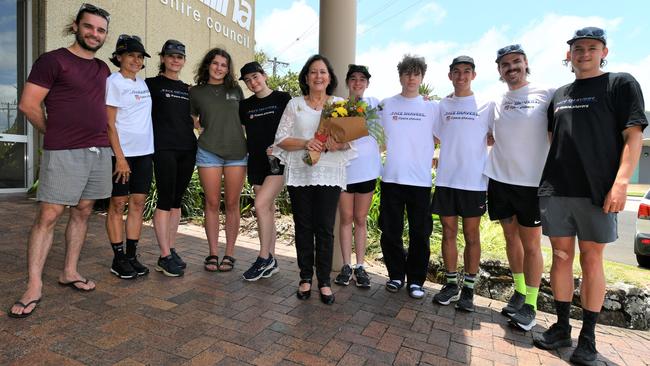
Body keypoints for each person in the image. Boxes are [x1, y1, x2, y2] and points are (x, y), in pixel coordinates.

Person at [533, 27, 647, 365]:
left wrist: (621, 182)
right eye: (577, 48)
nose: (584, 52)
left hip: (598, 191)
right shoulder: (559, 94)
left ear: (603, 51)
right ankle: (562, 327)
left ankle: (588, 339)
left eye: (591, 47)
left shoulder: (620, 84)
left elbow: (633, 136)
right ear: (569, 54)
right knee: (562, 258)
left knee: (592, 259)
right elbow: (556, 139)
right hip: (557, 189)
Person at [9, 3, 112, 318]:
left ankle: (69, 270)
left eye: (101, 30)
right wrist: (52, 134)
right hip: (65, 151)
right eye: (89, 27)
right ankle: (34, 284)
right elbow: (28, 105)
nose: (94, 33)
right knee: (49, 216)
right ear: (77, 26)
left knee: (83, 212)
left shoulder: (102, 69)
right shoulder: (53, 60)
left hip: (98, 151)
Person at [273, 54, 355, 305]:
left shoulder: (340, 103)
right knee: (304, 226)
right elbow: (281, 139)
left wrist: (333, 144)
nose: (318, 76)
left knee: (325, 228)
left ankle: (325, 281)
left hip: (329, 174)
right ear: (306, 77)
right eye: (313, 72)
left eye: (323, 72)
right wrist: (306, 142)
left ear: (329, 77)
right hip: (300, 173)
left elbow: (349, 141)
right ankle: (305, 277)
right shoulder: (294, 104)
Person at [484, 44, 554, 330]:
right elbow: (489, 136)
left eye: (516, 62)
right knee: (510, 239)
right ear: (499, 70)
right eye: (505, 64)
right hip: (500, 180)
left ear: (526, 63)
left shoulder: (547, 94)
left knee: (532, 245)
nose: (511, 68)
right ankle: (520, 291)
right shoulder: (496, 101)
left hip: (532, 184)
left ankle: (531, 305)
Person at [431, 56, 493, 312]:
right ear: (450, 76)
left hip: (474, 181)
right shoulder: (442, 105)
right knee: (448, 232)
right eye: (456, 72)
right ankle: (450, 284)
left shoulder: (487, 105)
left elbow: (495, 137)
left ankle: (469, 288)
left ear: (474, 76)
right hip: (447, 179)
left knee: (471, 234)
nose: (461, 76)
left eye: (466, 72)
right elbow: (433, 137)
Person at [378, 55, 438, 299]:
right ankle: (395, 275)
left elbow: (446, 134)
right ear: (400, 76)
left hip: (420, 181)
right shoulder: (386, 104)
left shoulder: (432, 107)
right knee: (390, 231)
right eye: (407, 73)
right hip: (392, 178)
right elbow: (369, 131)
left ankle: (416, 280)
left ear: (422, 77)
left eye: (416, 74)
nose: (411, 78)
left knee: (420, 233)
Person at [190, 48, 246, 273]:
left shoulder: (235, 89)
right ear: (208, 65)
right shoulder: (195, 92)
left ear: (228, 68)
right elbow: (192, 118)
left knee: (232, 204)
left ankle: (229, 254)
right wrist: (198, 126)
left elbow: (244, 121)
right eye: (215, 63)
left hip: (236, 153)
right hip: (208, 151)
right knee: (212, 203)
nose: (219, 68)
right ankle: (213, 253)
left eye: (224, 65)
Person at [105, 35, 154, 280]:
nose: (136, 60)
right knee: (118, 205)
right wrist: (120, 157)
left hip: (144, 154)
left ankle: (132, 256)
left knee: (137, 204)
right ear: (119, 57)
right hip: (122, 156)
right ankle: (118, 258)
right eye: (131, 55)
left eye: (139, 56)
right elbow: (109, 124)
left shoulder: (142, 84)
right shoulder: (113, 82)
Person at [147, 40, 196, 277]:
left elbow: (198, 120)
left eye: (180, 57)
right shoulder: (151, 85)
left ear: (184, 60)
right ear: (163, 58)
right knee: (165, 201)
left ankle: (171, 248)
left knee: (176, 202)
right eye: (171, 56)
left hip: (188, 149)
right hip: (164, 148)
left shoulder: (189, 90)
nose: (176, 60)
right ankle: (164, 256)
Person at [238, 61, 291, 281]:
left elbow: (293, 127)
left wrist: (280, 147)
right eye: (248, 80)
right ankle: (272, 259)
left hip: (278, 161)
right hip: (256, 163)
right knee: (266, 209)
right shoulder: (245, 106)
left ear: (264, 75)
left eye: (255, 77)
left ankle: (262, 258)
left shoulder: (283, 99)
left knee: (260, 204)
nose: (253, 82)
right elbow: (243, 133)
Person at [333, 64, 381, 289]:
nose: (358, 83)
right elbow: (330, 139)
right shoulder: (337, 108)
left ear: (367, 84)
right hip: (344, 171)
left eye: (362, 79)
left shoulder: (375, 104)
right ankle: (346, 265)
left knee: (360, 220)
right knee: (345, 219)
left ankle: (360, 266)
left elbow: (404, 102)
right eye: (353, 79)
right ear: (348, 82)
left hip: (367, 171)